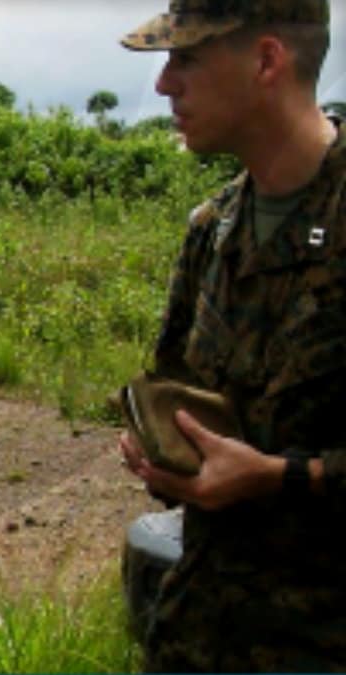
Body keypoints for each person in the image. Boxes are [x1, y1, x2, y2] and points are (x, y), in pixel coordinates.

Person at [119, 0, 346, 670]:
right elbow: (176, 393)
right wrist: (165, 457)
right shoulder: (212, 229)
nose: (164, 84)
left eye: (185, 57)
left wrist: (280, 477)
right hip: (204, 634)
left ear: (267, 61)